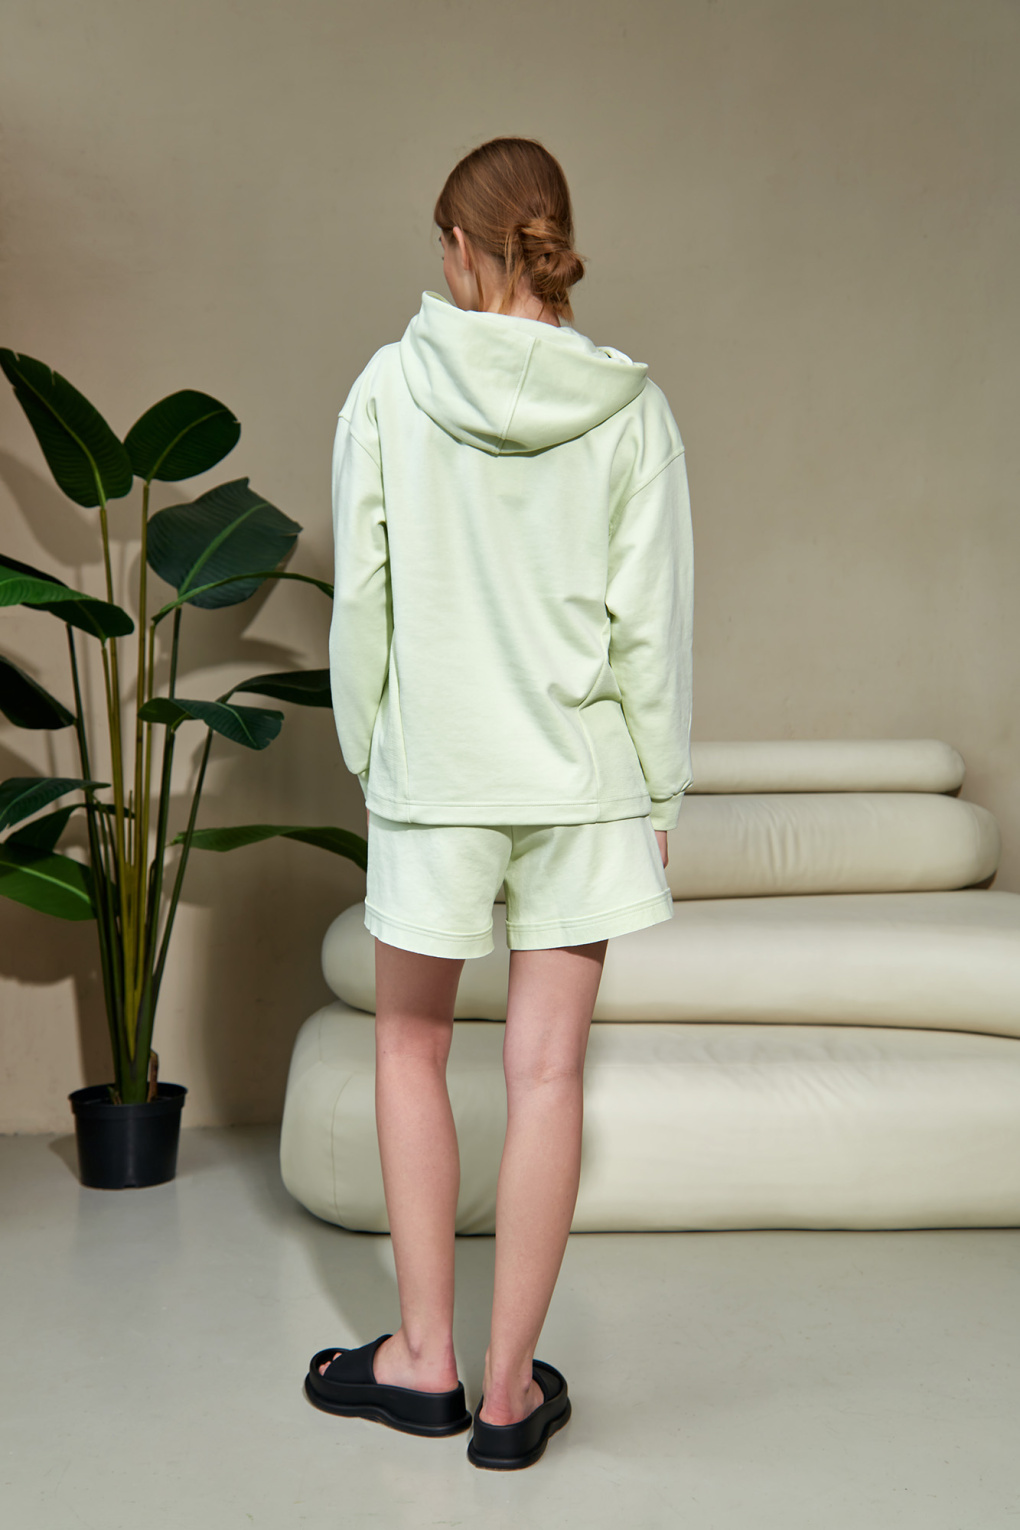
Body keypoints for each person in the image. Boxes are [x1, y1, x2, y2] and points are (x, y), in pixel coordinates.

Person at [304, 136, 694, 1470]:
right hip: (581, 780)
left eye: (444, 245)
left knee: (410, 1048)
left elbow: (366, 605)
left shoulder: (388, 387)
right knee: (546, 1073)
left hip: (438, 777)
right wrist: (659, 783)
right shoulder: (633, 408)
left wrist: (375, 753)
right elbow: (651, 628)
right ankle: (511, 1391)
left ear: (465, 249)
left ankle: (424, 1360)